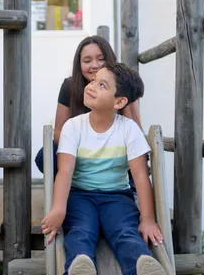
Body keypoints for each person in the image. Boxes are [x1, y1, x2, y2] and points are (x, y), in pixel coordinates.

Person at [41, 62, 170, 275]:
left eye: (102, 85)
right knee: (80, 232)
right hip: (80, 196)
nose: (91, 87)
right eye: (93, 81)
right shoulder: (74, 127)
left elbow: (140, 177)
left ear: (119, 102)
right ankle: (80, 273)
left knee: (127, 234)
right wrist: (58, 208)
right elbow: (64, 172)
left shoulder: (128, 129)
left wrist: (147, 219)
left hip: (116, 197)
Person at [34, 36, 143, 191]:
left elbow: (137, 131)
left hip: (114, 148)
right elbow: (58, 132)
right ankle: (67, 188)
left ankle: (131, 189)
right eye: (87, 61)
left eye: (101, 59)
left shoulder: (122, 86)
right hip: (78, 148)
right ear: (79, 64)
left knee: (140, 153)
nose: (95, 66)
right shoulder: (69, 86)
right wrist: (85, 146)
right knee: (44, 156)